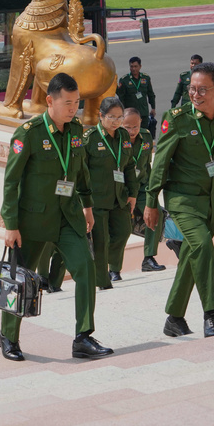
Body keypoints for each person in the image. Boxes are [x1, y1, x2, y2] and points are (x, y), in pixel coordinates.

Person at [1, 73, 113, 362]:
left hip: (68, 216)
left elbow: (80, 171)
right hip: (33, 221)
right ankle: (8, 336)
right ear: (50, 101)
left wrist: (87, 205)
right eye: (67, 103)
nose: (73, 109)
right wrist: (11, 225)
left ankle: (83, 337)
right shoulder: (28, 133)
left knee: (85, 267)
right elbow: (11, 182)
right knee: (21, 279)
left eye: (76, 103)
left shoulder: (76, 130)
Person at [144, 62, 214, 339]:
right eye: (192, 88)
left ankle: (174, 318)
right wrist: (151, 201)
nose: (195, 94)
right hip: (182, 199)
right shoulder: (177, 118)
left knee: (193, 254)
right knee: (204, 248)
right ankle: (210, 315)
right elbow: (160, 162)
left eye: (202, 89)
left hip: (213, 199)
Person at [83, 98, 138, 288]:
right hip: (97, 199)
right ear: (101, 116)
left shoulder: (123, 136)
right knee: (100, 241)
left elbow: (129, 166)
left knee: (124, 232)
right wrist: (84, 202)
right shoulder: (90, 138)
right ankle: (102, 282)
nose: (116, 121)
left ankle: (109, 265)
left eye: (119, 117)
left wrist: (132, 193)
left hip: (119, 197)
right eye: (111, 117)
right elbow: (81, 172)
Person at [122, 108, 166, 272]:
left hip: (141, 188)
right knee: (121, 226)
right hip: (123, 189)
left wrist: (152, 187)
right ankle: (113, 267)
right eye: (127, 127)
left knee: (156, 213)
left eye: (135, 126)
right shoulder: (117, 139)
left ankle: (149, 257)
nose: (132, 131)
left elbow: (147, 165)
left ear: (140, 123)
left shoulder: (146, 136)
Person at [117, 56, 157, 131]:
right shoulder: (124, 80)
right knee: (132, 132)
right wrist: (123, 112)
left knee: (144, 132)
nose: (133, 69)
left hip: (143, 113)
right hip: (131, 114)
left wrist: (153, 108)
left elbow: (151, 94)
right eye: (131, 66)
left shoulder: (146, 78)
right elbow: (121, 97)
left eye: (135, 66)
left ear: (140, 66)